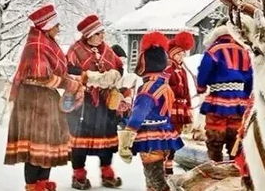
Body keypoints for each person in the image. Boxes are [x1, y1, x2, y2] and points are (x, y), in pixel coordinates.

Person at [5, 4, 84, 191]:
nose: (59, 28)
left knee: (47, 145)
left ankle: (42, 183)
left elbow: (55, 72)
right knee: (36, 146)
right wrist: (70, 84)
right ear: (47, 26)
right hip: (34, 102)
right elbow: (42, 76)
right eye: (56, 25)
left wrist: (72, 81)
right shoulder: (37, 45)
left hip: (46, 99)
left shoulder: (46, 42)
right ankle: (33, 186)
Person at [118, 32, 184, 191]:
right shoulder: (164, 85)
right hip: (164, 135)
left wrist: (126, 138)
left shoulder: (147, 89)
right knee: (158, 177)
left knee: (155, 181)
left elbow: (139, 115)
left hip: (150, 139)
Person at [66, 15, 124, 189]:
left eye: (102, 33)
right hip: (83, 103)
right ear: (89, 35)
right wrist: (90, 77)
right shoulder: (75, 50)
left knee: (106, 140)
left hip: (104, 104)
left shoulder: (107, 50)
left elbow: (119, 66)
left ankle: (107, 174)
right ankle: (79, 176)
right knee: (80, 142)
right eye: (99, 33)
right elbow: (67, 69)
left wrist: (114, 75)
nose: (102, 37)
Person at [196, 20, 253, 162]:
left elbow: (204, 71)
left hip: (218, 97)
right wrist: (246, 94)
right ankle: (234, 163)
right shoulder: (244, 51)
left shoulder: (214, 50)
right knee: (235, 133)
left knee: (216, 131)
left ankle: (216, 163)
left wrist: (201, 87)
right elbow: (251, 76)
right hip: (239, 100)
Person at [163, 31, 195, 175]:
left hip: (181, 107)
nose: (181, 57)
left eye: (183, 54)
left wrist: (189, 106)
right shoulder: (168, 69)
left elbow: (187, 89)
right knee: (170, 136)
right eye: (178, 54)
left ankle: (169, 164)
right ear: (171, 55)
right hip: (172, 107)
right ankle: (165, 166)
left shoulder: (182, 70)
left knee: (176, 136)